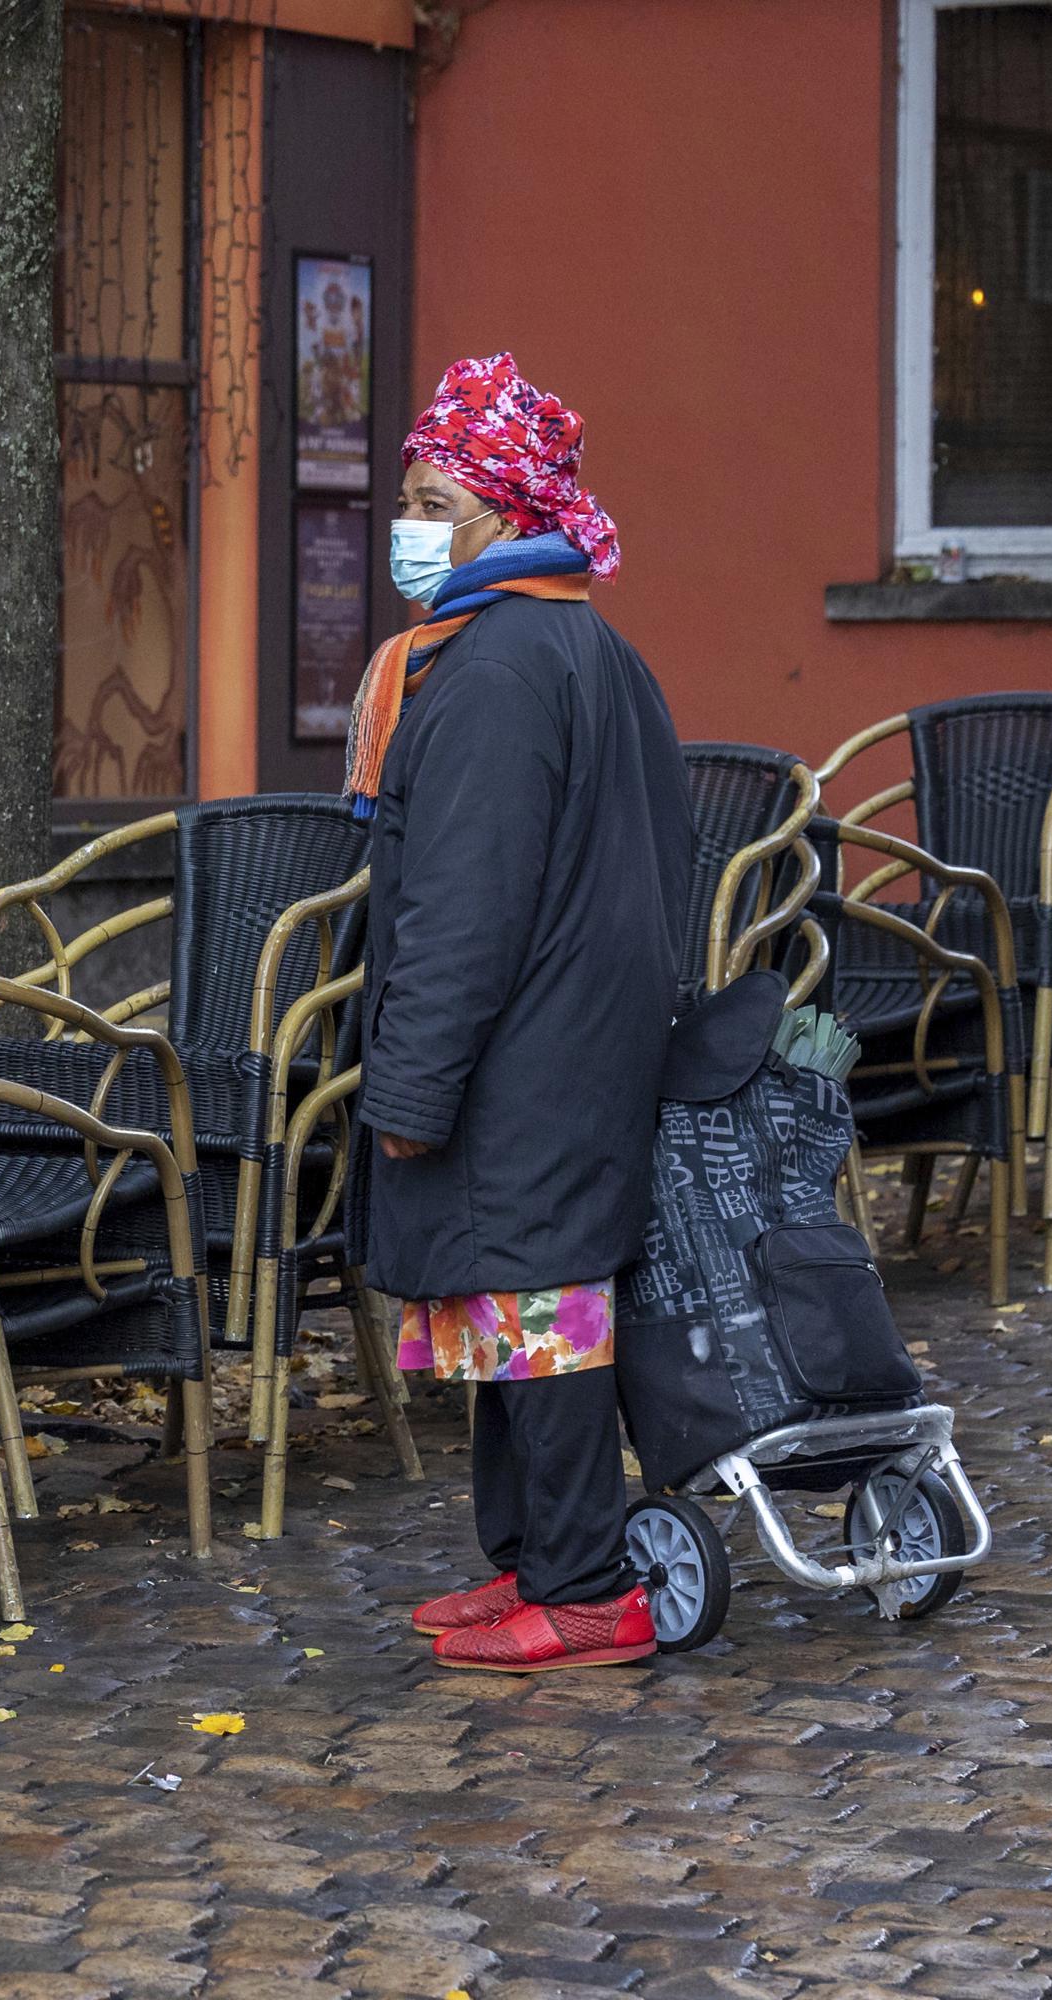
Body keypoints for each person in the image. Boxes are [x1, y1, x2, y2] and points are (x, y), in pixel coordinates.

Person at [346, 352, 692, 1674]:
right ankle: (529, 1563)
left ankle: (589, 1588)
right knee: (516, 1316)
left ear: (501, 514)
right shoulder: (583, 642)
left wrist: (412, 1088)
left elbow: (463, 910)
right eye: (410, 498)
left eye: (434, 500)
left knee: (542, 1327)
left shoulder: (494, 669)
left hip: (522, 1062)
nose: (413, 527)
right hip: (577, 1046)